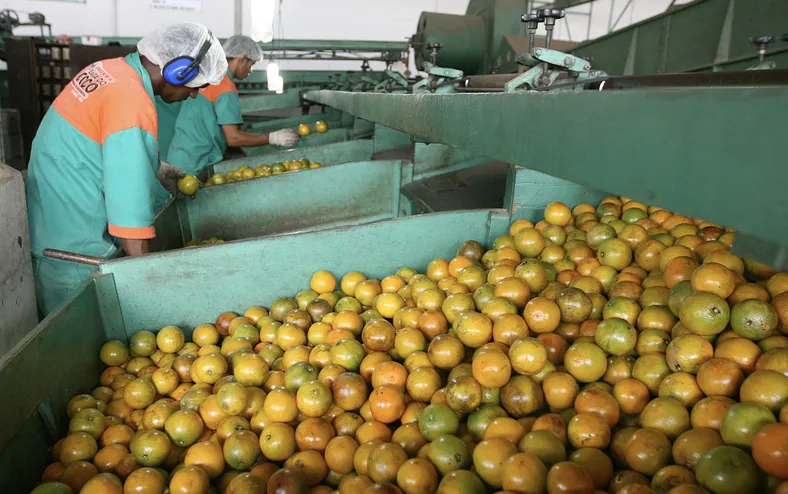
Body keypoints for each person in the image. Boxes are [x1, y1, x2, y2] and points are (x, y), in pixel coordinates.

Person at [26, 22, 228, 316]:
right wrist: (151, 291)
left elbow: (98, 147)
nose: (195, 94)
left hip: (52, 233)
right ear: (178, 71)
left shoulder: (110, 71)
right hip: (76, 254)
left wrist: (154, 169)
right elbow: (130, 221)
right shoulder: (133, 101)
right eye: (197, 86)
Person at [166, 35, 300, 176]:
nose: (250, 71)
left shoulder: (208, 77)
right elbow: (233, 138)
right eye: (251, 64)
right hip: (198, 164)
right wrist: (273, 138)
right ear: (241, 59)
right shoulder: (225, 87)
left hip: (179, 157)